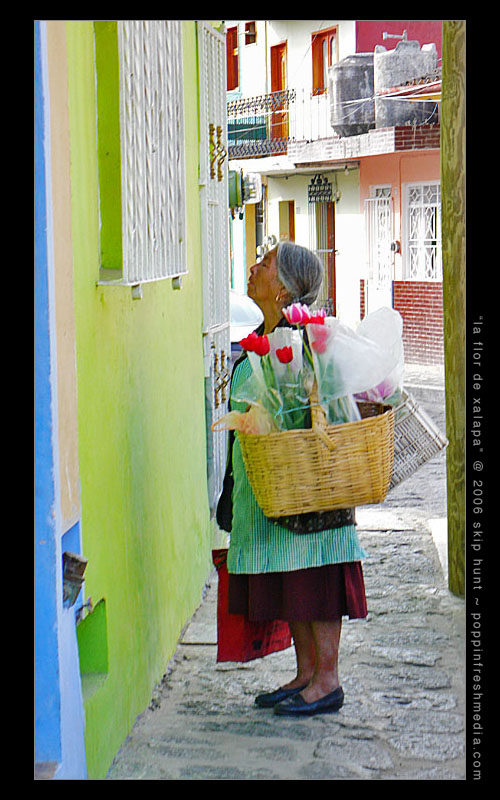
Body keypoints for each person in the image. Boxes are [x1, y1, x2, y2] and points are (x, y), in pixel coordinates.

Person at [222, 241, 368, 717]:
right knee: (294, 577)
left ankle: (327, 680)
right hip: (275, 490)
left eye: (263, 264)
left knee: (316, 576)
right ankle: (307, 673)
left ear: (283, 287)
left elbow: (327, 410)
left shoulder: (308, 342)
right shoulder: (264, 338)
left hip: (310, 488)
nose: (253, 268)